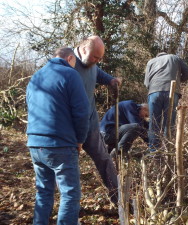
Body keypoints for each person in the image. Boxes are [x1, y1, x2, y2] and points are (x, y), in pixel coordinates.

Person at [26, 47, 89, 225]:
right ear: (70, 58)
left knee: (44, 191)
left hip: (34, 142)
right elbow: (82, 111)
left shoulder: (36, 76)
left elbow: (30, 105)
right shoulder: (70, 75)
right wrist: (80, 139)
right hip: (60, 143)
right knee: (70, 193)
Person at [74, 35, 121, 205]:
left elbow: (98, 73)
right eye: (95, 57)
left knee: (104, 160)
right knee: (70, 170)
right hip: (71, 129)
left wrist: (111, 79)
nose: (97, 61)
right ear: (84, 49)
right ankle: (72, 208)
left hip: (91, 125)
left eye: (100, 58)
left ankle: (119, 199)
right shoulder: (68, 64)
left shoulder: (92, 64)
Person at [144, 52, 188, 151]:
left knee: (154, 124)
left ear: (158, 56)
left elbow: (146, 83)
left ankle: (154, 152)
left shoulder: (151, 62)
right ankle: (168, 149)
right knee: (169, 123)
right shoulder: (174, 58)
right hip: (172, 91)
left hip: (154, 93)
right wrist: (179, 79)